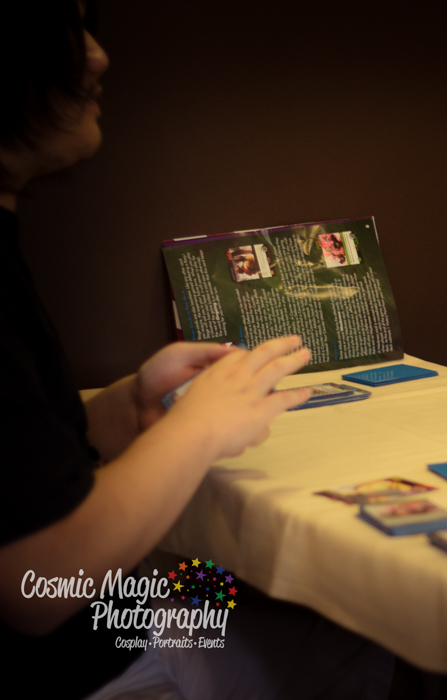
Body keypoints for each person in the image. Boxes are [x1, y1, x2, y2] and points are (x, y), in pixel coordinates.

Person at [0, 3, 392, 697]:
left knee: (266, 595)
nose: (98, 55)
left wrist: (121, 411)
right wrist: (198, 428)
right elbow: (35, 583)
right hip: (96, 649)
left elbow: (18, 471)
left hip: (126, 604)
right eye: (63, 31)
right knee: (354, 635)